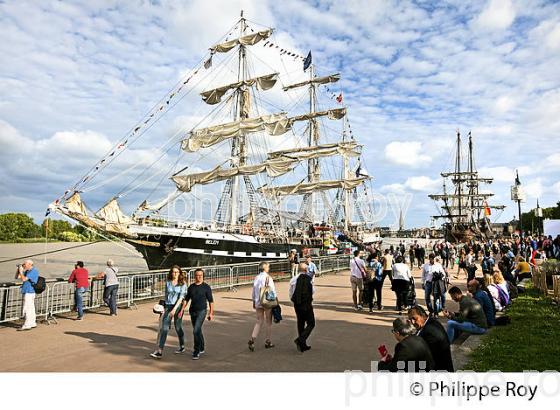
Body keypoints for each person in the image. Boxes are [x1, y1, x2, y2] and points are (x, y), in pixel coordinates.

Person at [150, 265, 187, 359]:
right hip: (168, 306)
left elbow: (181, 298)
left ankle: (182, 345)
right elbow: (166, 296)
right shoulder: (168, 282)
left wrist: (175, 310)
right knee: (164, 329)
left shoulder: (183, 284)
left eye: (176, 272)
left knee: (178, 327)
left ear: (179, 273)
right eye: (173, 272)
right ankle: (159, 351)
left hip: (177, 306)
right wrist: (163, 308)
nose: (174, 274)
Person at [408, 305, 454, 372]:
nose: (412, 322)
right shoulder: (432, 322)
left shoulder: (429, 332)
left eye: (414, 318)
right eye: (410, 319)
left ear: (423, 316)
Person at [184, 268, 214, 360]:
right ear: (194, 276)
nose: (199, 277)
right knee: (197, 330)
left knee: (195, 330)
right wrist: (182, 310)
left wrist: (211, 313)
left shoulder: (206, 287)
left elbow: (211, 301)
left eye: (200, 275)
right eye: (197, 275)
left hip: (202, 311)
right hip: (192, 311)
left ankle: (196, 351)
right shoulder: (191, 287)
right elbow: (186, 299)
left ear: (203, 276)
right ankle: (202, 347)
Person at [249, 261, 276, 351]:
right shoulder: (268, 278)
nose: (269, 268)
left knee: (259, 321)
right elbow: (272, 291)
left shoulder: (256, 277)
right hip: (267, 301)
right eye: (268, 267)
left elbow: (253, 290)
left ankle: (253, 338)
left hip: (258, 301)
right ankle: (268, 341)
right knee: (268, 321)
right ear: (265, 268)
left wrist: (254, 300)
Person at [290, 262, 315, 352]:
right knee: (311, 323)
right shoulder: (309, 279)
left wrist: (294, 301)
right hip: (307, 303)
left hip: (297, 304)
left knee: (300, 322)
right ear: (306, 270)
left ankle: (302, 344)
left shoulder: (293, 279)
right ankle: (301, 340)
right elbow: (312, 291)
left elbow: (291, 293)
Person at [16, 260, 39, 331]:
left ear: (30, 264)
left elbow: (23, 279)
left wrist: (21, 270)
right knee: (31, 308)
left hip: (29, 291)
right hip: (28, 291)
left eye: (25, 264)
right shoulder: (27, 271)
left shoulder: (33, 271)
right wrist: (19, 270)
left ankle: (27, 324)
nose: (24, 265)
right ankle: (32, 323)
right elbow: (17, 277)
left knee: (27, 308)